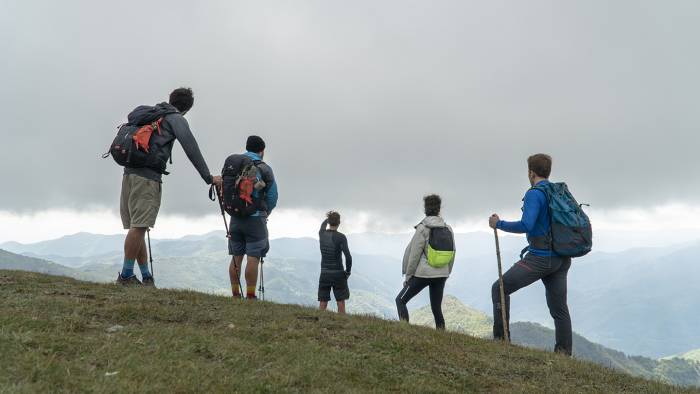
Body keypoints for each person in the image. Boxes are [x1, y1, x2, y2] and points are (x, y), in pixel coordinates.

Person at [118, 88, 222, 287]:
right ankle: (125, 276)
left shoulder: (151, 114)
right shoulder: (175, 119)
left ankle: (146, 277)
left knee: (137, 226)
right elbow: (191, 148)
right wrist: (208, 177)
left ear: (171, 99)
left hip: (129, 173)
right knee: (139, 227)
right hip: (147, 178)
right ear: (188, 108)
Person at [488, 153, 573, 355]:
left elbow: (527, 224)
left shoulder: (535, 193)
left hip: (540, 258)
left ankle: (501, 340)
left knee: (499, 288)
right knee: (559, 309)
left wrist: (498, 224)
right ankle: (563, 353)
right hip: (562, 257)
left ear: (531, 172)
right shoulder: (557, 192)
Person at [227, 136, 278, 300]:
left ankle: (235, 294)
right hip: (255, 219)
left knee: (236, 257)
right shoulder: (265, 169)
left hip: (235, 217)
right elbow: (272, 196)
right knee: (253, 257)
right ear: (262, 151)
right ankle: (250, 295)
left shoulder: (235, 165)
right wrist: (266, 211)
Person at [396, 194, 455, 330]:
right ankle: (443, 339)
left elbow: (414, 256)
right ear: (439, 209)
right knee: (436, 309)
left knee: (400, 300)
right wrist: (447, 272)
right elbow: (453, 253)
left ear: (425, 209)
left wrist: (408, 276)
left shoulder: (423, 229)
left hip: (423, 274)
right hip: (441, 274)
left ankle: (404, 332)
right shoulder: (448, 229)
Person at [318, 211, 352, 314]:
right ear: (339, 223)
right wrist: (348, 272)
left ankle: (319, 321)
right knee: (340, 301)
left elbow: (322, 226)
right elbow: (348, 257)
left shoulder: (321, 234)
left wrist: (328, 219)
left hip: (324, 273)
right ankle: (341, 324)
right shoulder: (341, 237)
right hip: (338, 273)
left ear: (329, 222)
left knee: (323, 301)